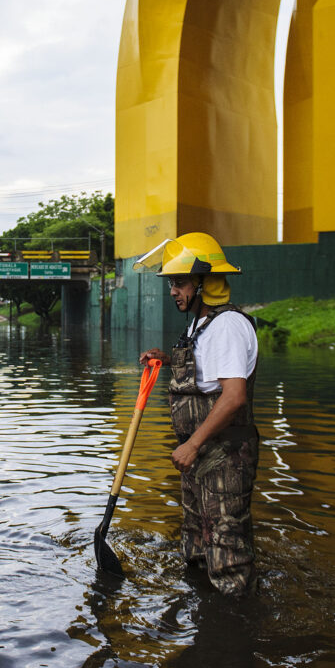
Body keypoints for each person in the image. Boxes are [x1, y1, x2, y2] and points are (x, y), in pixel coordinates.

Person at [137, 233, 259, 595]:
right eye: (172, 283)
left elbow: (234, 395)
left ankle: (235, 632)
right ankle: (201, 612)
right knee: (198, 540)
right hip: (200, 455)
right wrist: (168, 358)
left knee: (226, 547)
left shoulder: (228, 327)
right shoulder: (200, 324)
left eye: (179, 282)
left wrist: (192, 444)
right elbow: (208, 372)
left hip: (224, 456)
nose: (173, 291)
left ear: (206, 282)